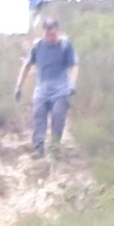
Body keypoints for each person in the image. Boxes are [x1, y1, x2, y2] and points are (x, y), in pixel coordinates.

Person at [21, 19, 79, 157]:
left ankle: (54, 148)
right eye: (47, 35)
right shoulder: (37, 46)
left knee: (58, 116)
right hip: (42, 89)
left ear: (58, 32)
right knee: (38, 116)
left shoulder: (65, 45)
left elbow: (74, 65)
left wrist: (72, 84)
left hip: (61, 89)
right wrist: (19, 85)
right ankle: (38, 148)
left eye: (53, 35)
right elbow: (27, 65)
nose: (50, 38)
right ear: (43, 33)